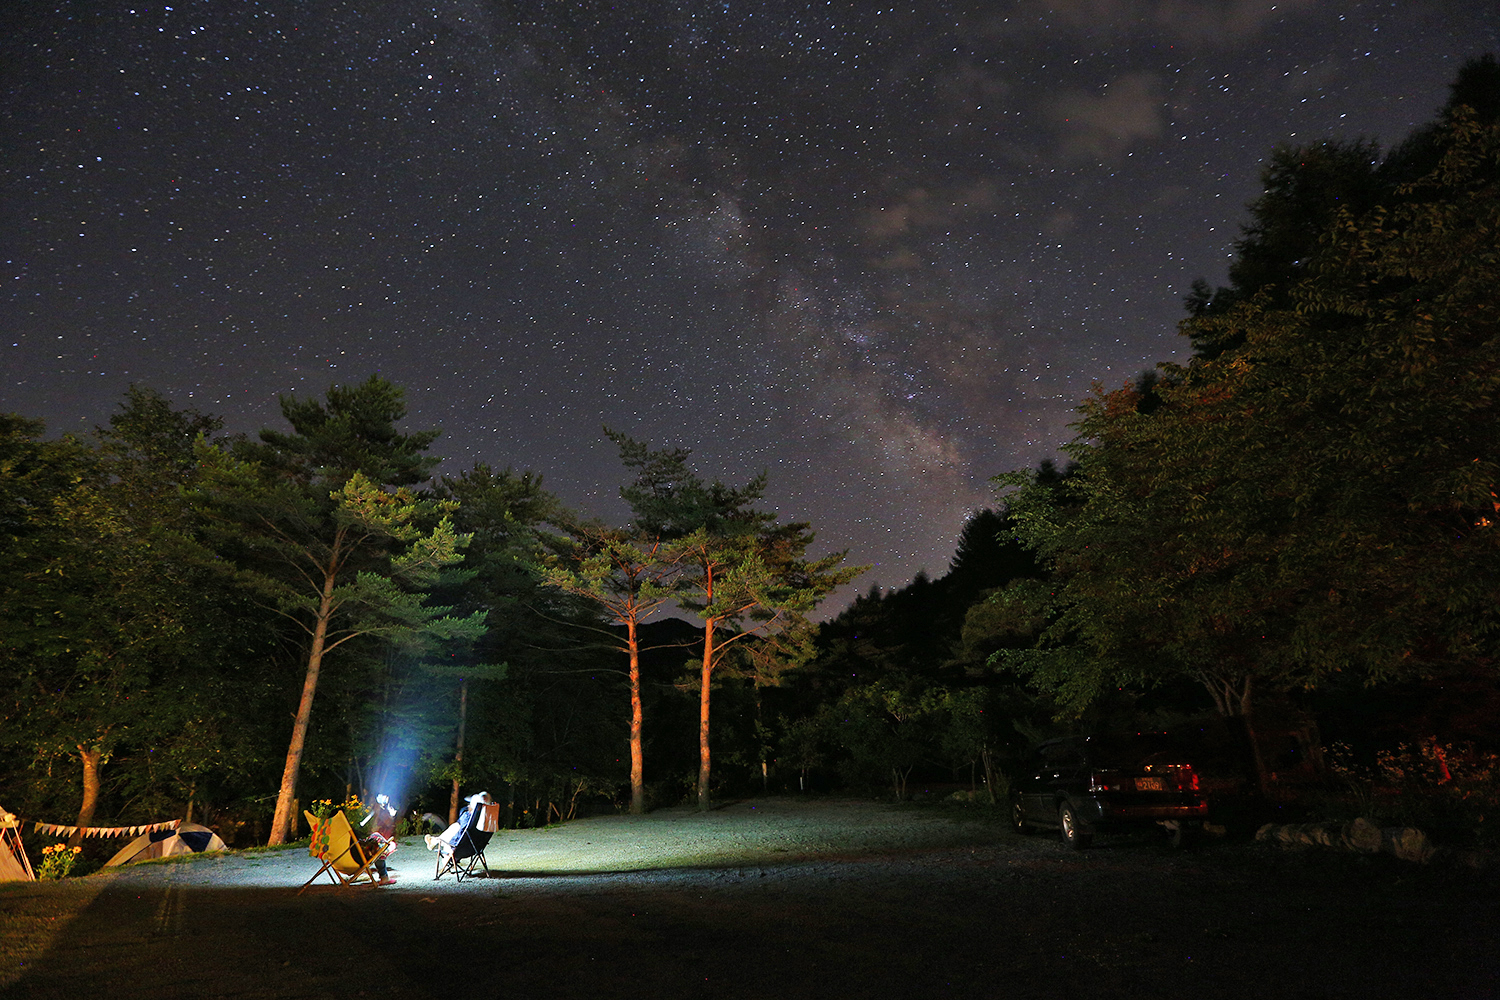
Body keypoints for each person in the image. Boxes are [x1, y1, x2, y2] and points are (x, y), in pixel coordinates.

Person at [425, 791, 492, 853]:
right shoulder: (487, 818)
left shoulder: (468, 818)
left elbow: (460, 834)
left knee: (456, 826)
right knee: (456, 827)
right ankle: (434, 841)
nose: (468, 806)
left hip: (461, 848)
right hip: (476, 847)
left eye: (470, 804)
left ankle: (434, 841)